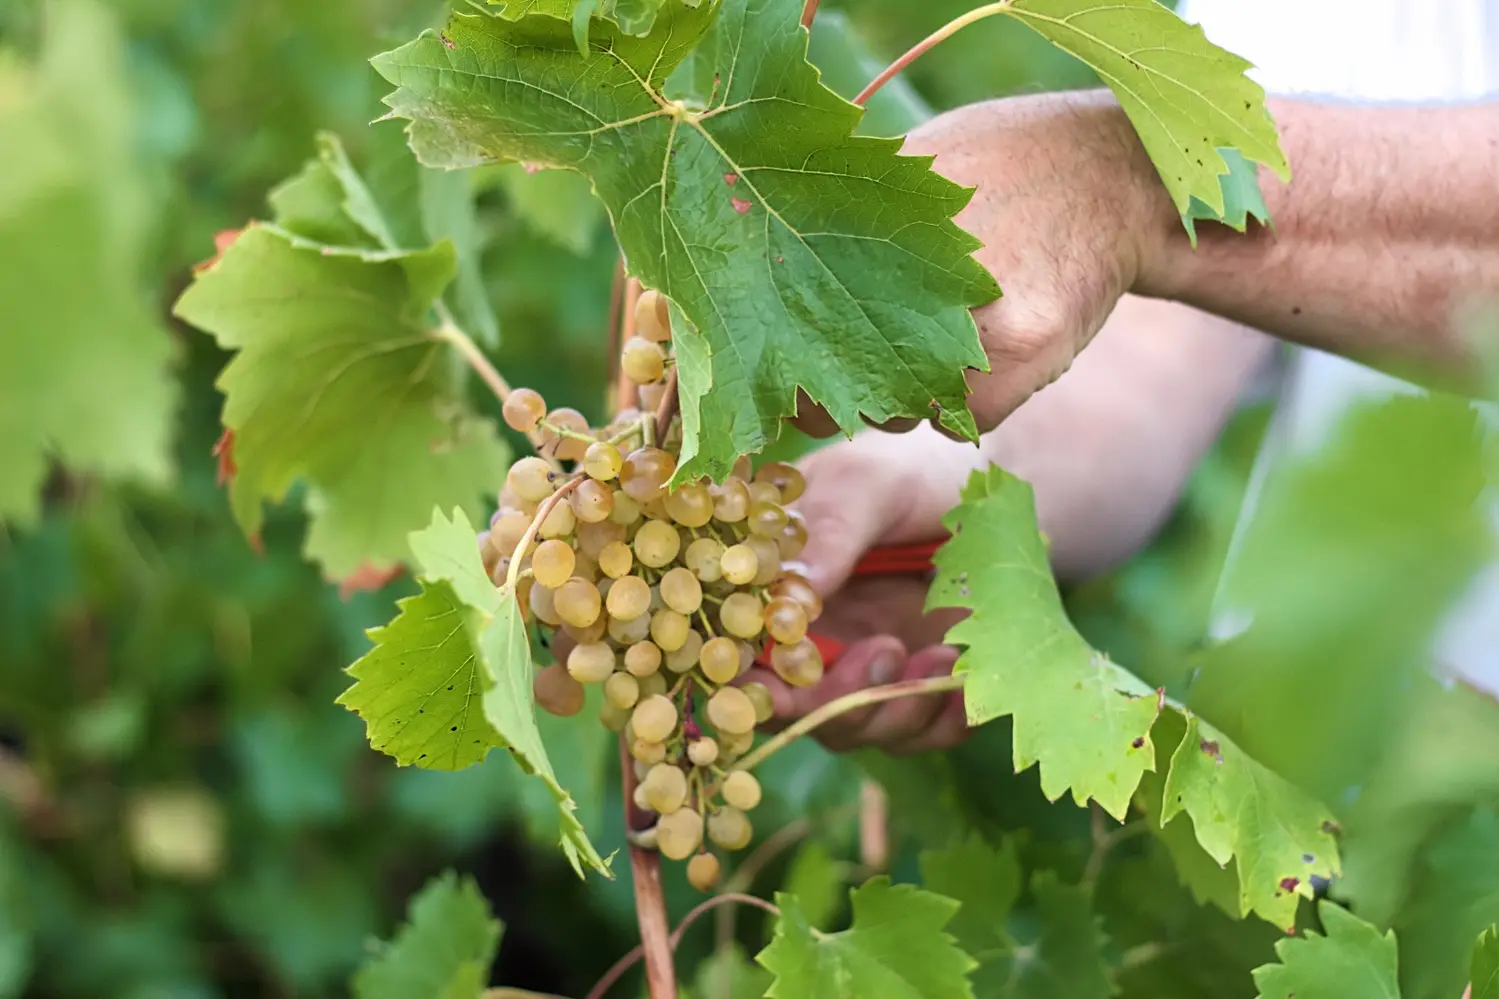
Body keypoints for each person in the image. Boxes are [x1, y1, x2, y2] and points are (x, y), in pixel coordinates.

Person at [743, 0, 1499, 753]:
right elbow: (1156, 344)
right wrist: (914, 476)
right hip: (1330, 788)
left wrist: (1128, 183)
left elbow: (1178, 210)